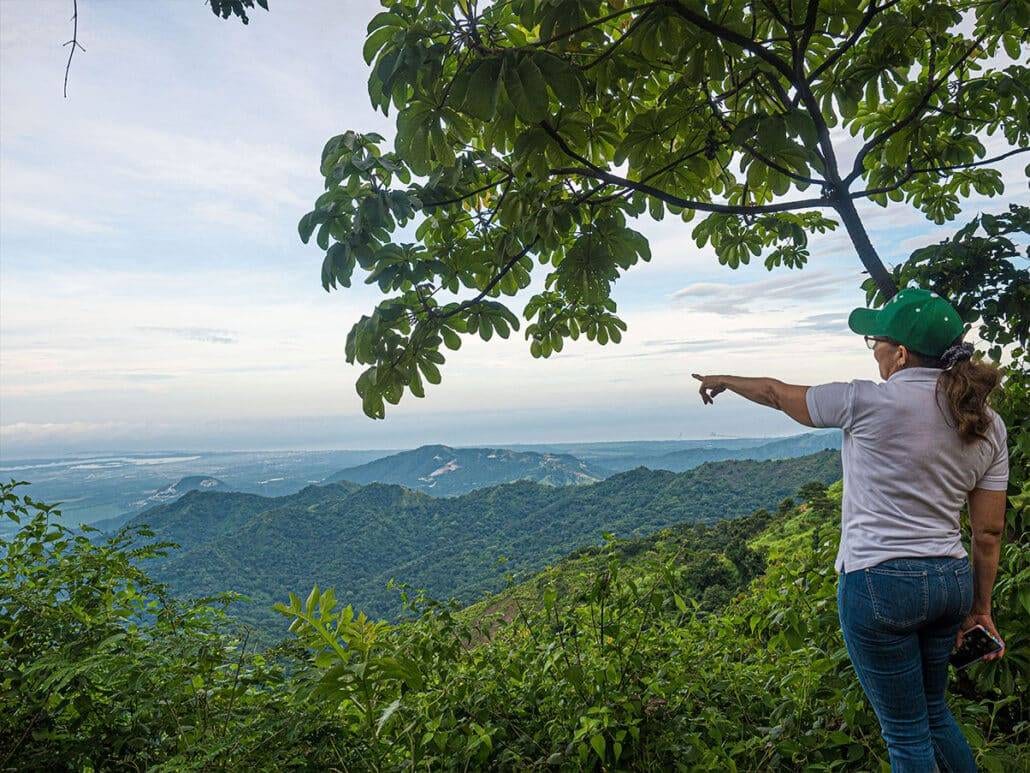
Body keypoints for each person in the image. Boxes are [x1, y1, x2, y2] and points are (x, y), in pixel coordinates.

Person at [691, 287, 1009, 773]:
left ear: (900, 354)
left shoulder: (865, 401)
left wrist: (725, 380)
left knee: (905, 734)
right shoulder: (987, 422)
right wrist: (980, 607)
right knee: (934, 714)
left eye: (876, 342)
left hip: (878, 583)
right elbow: (988, 532)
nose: (874, 352)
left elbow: (778, 395)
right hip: (949, 582)